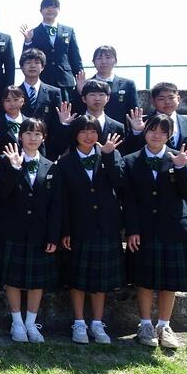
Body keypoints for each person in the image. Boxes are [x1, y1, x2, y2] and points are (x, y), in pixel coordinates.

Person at [124, 114, 187, 349]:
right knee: (144, 280)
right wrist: (132, 229)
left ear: (169, 136)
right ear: (145, 131)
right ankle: (145, 325)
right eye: (152, 130)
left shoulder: (180, 157)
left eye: (162, 132)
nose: (156, 135)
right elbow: (128, 200)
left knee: (170, 281)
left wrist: (180, 168)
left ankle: (164, 326)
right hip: (144, 229)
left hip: (174, 228)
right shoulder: (130, 160)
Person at [57, 116, 126, 344]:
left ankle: (97, 323)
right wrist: (65, 230)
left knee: (101, 279)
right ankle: (79, 322)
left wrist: (108, 155)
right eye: (83, 131)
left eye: (93, 131)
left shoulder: (110, 154)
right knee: (77, 277)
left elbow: (120, 182)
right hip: (79, 227)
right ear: (75, 134)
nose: (89, 136)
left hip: (106, 225)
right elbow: (62, 201)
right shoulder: (65, 162)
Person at [0, 119, 61, 343]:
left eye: (37, 134)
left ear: (44, 138)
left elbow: (55, 206)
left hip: (39, 233)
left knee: (37, 281)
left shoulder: (51, 166)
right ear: (20, 136)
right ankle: (17, 323)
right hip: (12, 230)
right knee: (12, 279)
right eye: (28, 133)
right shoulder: (5, 161)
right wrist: (14, 169)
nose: (32, 138)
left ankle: (31, 323)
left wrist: (53, 236)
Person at [20, 0, 83, 100]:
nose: (50, 9)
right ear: (41, 10)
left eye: (54, 7)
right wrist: (28, 41)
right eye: (46, 7)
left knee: (66, 108)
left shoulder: (69, 30)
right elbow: (26, 57)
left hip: (65, 80)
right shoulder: (33, 32)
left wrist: (81, 79)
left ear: (59, 9)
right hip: (44, 79)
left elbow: (75, 57)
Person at [126, 82, 187, 166]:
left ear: (178, 99)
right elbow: (132, 151)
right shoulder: (143, 123)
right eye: (161, 99)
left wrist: (183, 168)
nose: (167, 102)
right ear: (153, 101)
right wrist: (137, 132)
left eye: (171, 97)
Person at [53, 80, 125, 156]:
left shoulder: (118, 127)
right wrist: (65, 124)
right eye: (92, 95)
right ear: (84, 99)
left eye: (101, 95)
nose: (97, 98)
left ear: (108, 98)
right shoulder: (74, 123)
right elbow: (59, 149)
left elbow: (122, 155)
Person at [74, 45, 137, 125]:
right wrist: (81, 92)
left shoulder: (128, 84)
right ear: (93, 62)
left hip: (118, 130)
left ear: (115, 61)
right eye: (99, 58)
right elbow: (76, 111)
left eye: (108, 57)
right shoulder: (83, 84)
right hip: (91, 130)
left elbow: (134, 113)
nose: (103, 61)